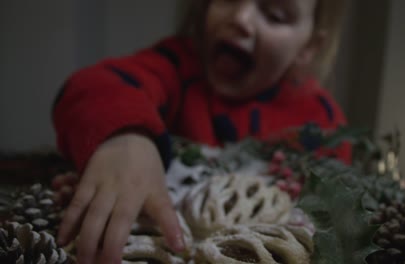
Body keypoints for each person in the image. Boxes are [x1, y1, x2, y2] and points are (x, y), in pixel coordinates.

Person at [52, 0, 350, 263]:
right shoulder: (176, 66)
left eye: (274, 14)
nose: (241, 18)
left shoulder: (318, 121)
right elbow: (93, 86)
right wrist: (125, 138)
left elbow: (339, 193)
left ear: (308, 48)